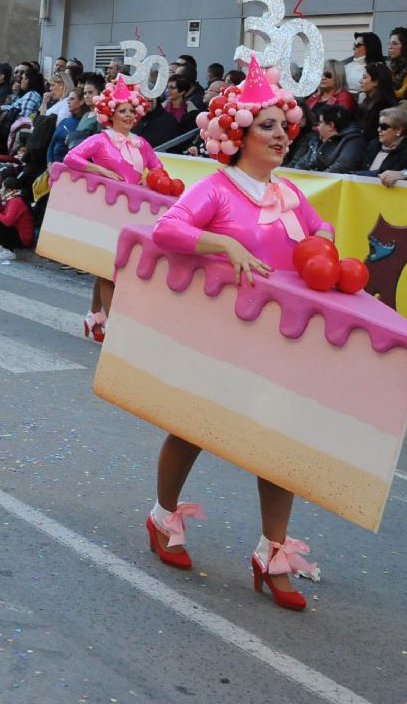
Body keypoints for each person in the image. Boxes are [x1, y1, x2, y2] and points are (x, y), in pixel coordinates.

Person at [148, 59, 327, 611]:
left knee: (280, 444)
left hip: (280, 338)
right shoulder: (217, 189)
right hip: (221, 332)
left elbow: (320, 243)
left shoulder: (291, 195)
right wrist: (223, 245)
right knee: (195, 429)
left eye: (283, 126)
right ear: (237, 134)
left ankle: (271, 553)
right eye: (267, 126)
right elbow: (166, 229)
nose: (280, 135)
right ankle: (162, 516)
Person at [64, 76, 162, 342]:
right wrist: (100, 170)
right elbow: (71, 157)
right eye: (123, 111)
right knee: (110, 268)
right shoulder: (100, 140)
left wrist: (149, 179)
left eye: (132, 110)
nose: (129, 115)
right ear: (110, 113)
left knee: (109, 266)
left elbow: (158, 168)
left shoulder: (142, 144)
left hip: (132, 212)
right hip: (106, 210)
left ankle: (94, 314)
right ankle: (113, 327)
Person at [355, 106, 407, 175]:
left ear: (399, 130)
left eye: (383, 127)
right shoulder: (373, 145)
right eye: (378, 126)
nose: (378, 130)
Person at [356, 62, 397, 137]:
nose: (360, 81)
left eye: (364, 77)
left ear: (376, 82)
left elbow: (370, 133)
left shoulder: (385, 106)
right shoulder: (366, 101)